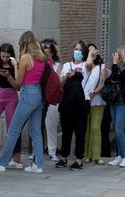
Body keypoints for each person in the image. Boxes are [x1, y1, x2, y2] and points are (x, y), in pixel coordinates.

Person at [0, 31, 49, 174]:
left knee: (13, 130)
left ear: (23, 43)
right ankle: (38, 165)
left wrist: (15, 67)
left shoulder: (26, 57)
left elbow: (18, 83)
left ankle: (1, 163)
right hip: (39, 94)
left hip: (28, 94)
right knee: (36, 131)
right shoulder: (42, 57)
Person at [55, 41, 94, 170]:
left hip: (82, 102)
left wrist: (90, 53)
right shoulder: (66, 65)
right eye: (75, 49)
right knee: (66, 131)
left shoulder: (86, 65)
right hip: (67, 103)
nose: (77, 52)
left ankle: (79, 159)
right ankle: (64, 157)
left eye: (79, 50)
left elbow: (89, 65)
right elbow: (59, 84)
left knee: (80, 131)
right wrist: (66, 76)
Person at [84, 43, 107, 165]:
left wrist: (94, 92)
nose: (91, 53)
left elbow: (103, 83)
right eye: (89, 51)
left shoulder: (101, 66)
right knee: (85, 128)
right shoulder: (84, 65)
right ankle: (86, 155)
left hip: (97, 100)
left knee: (95, 127)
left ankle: (97, 155)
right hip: (84, 100)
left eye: (93, 51)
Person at [42, 39, 63, 162]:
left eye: (48, 53)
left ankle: (52, 151)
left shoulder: (58, 66)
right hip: (40, 97)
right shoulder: (38, 63)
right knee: (38, 125)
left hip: (53, 99)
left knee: (51, 125)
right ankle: (36, 150)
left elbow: (57, 81)